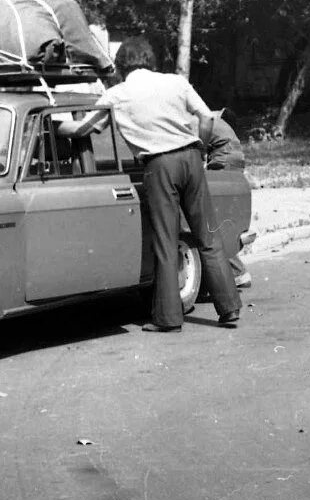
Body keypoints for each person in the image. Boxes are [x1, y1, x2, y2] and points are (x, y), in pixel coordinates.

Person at [56, 36, 241, 333]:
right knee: (207, 235)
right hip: (191, 158)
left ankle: (168, 319)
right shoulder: (176, 83)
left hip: (159, 165)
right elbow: (206, 117)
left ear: (121, 65)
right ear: (151, 60)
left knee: (166, 243)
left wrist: (55, 125)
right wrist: (202, 150)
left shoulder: (116, 95)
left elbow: (82, 129)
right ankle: (229, 309)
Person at [204, 108, 251, 288]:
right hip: (233, 156)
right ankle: (235, 272)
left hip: (223, 158)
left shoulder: (191, 119)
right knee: (221, 220)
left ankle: (238, 272)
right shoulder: (209, 116)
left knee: (213, 221)